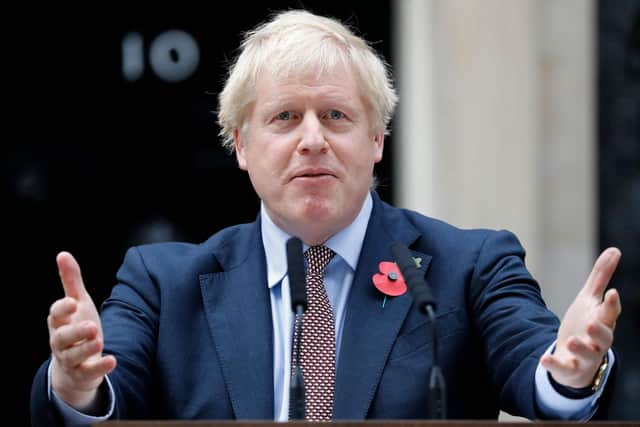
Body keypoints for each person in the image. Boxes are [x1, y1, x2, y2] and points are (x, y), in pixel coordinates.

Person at [31, 9, 622, 426]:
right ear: (240, 145)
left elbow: (538, 370)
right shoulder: (162, 284)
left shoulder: (469, 265)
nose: (312, 140)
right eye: (285, 117)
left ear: (376, 140)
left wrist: (567, 371)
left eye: (336, 115)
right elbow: (105, 391)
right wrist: (79, 384)